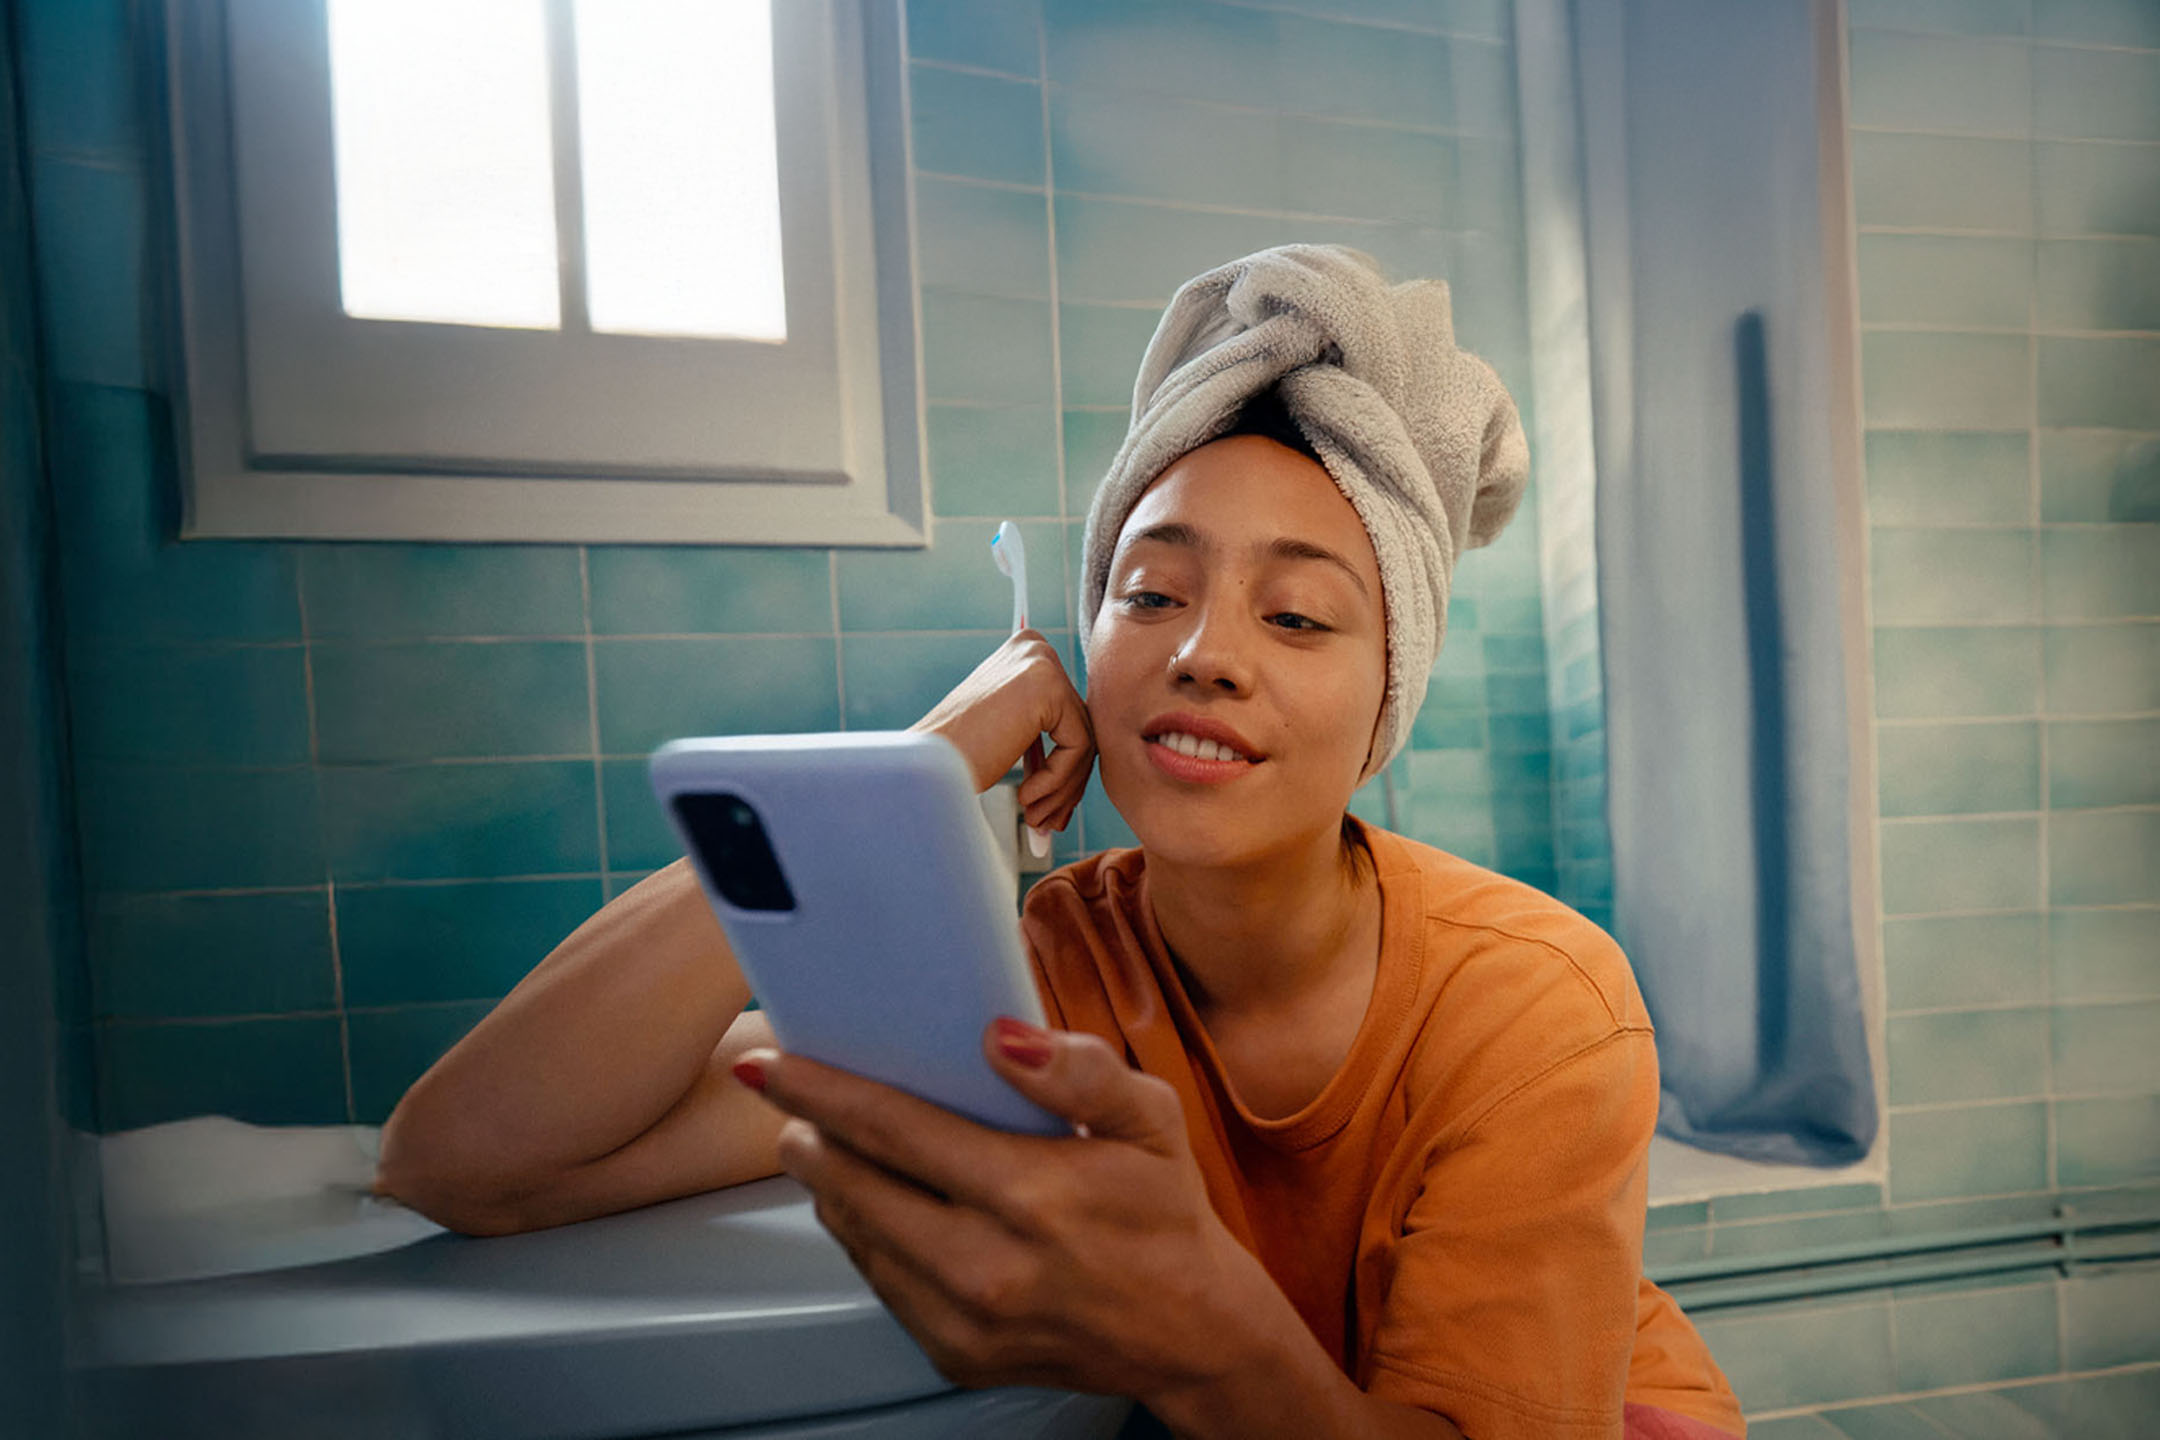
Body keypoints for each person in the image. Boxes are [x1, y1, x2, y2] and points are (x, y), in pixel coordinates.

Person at [376, 247, 1746, 1440]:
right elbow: (467, 1163)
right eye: (1151, 592)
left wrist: (1204, 1339)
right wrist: (916, 766)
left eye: (1298, 617)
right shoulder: (1037, 979)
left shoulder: (1532, 1002)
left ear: (1388, 696)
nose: (1203, 654)